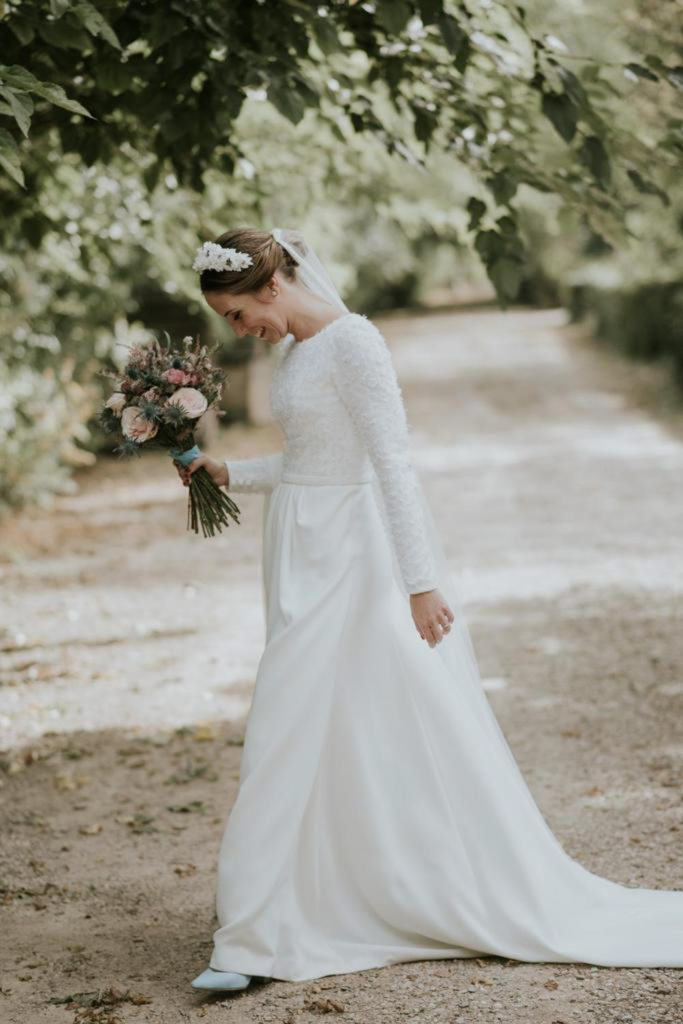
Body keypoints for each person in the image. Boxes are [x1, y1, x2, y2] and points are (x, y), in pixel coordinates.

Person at [179, 228, 683, 993]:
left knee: (286, 719)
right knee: (325, 723)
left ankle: (248, 938)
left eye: (240, 314)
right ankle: (313, 898)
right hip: (299, 550)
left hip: (350, 556)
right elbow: (314, 462)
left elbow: (391, 465)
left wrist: (421, 582)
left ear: (272, 288)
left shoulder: (355, 345)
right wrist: (230, 471)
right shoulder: (296, 354)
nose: (240, 331)